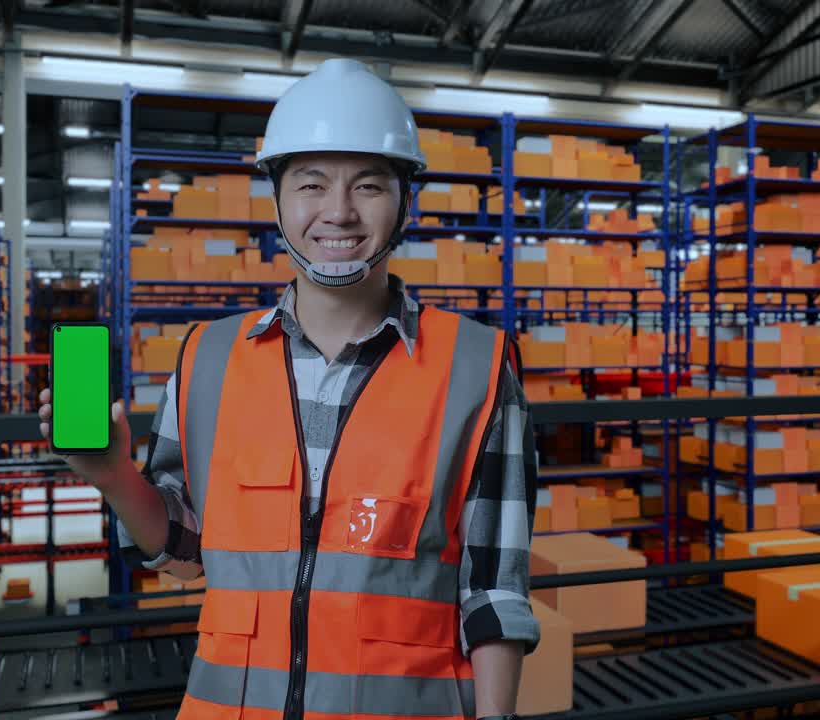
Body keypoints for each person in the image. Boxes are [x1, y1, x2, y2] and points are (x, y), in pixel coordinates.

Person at [39, 57, 539, 720]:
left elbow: (495, 590)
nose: (338, 212)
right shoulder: (208, 358)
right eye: (311, 184)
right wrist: (112, 475)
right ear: (276, 198)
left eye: (368, 185)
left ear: (404, 201)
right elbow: (184, 552)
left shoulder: (477, 366)